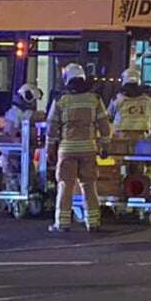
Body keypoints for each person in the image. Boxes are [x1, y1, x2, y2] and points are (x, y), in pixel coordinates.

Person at [47, 63, 111, 232]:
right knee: (89, 186)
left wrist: (49, 149)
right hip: (89, 149)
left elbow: (52, 127)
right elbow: (104, 124)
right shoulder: (94, 99)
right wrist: (105, 145)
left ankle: (62, 223)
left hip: (67, 150)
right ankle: (94, 222)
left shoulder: (61, 100)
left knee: (65, 186)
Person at [0, 84, 43, 191]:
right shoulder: (15, 113)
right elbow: (11, 134)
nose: (34, 104)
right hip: (13, 155)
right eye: (33, 100)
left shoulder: (18, 113)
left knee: (25, 178)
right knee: (14, 181)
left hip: (21, 153)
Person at [108, 67, 151, 134]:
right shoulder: (148, 100)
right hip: (142, 133)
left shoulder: (117, 98)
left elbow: (109, 114)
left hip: (121, 133)